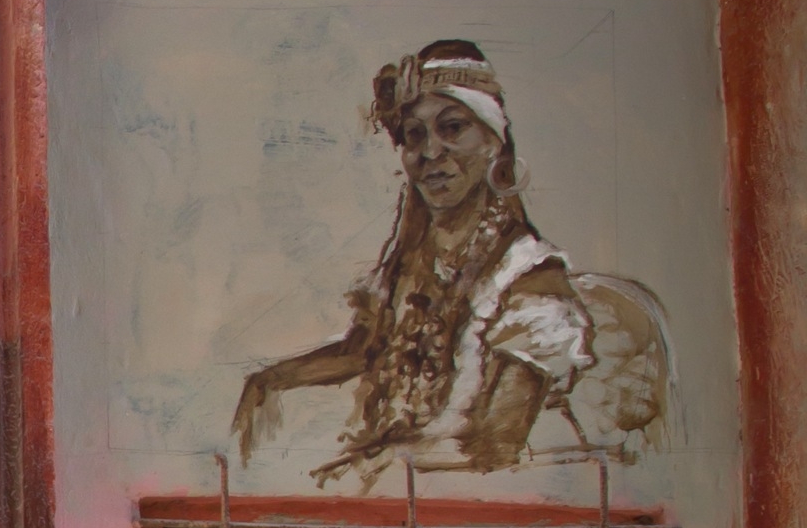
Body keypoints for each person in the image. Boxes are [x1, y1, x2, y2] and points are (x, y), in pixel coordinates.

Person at [231, 39, 595, 486]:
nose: (430, 153)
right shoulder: (413, 266)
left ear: (493, 143)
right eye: (414, 136)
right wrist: (271, 379)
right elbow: (364, 349)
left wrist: (380, 460)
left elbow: (496, 444)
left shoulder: (531, 277)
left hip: (487, 488)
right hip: (402, 476)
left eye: (453, 128)